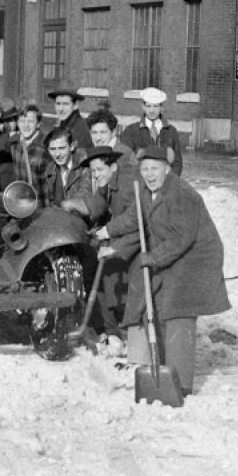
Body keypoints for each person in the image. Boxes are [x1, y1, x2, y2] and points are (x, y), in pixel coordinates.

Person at [94, 150, 230, 395]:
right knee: (154, 302)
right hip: (172, 255)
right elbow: (133, 219)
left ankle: (181, 383)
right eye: (145, 169)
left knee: (178, 310)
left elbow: (182, 238)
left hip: (195, 259)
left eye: (154, 169)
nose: (149, 174)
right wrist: (106, 231)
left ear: (167, 169)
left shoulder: (181, 194)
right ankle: (158, 365)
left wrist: (154, 258)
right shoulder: (146, 192)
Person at [81, 145, 135, 346]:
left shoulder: (129, 185)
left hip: (139, 240)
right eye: (93, 171)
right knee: (91, 261)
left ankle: (114, 329)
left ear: (113, 166)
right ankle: (106, 329)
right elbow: (97, 206)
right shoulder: (108, 184)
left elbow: (135, 219)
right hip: (123, 235)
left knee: (107, 270)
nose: (96, 175)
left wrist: (108, 232)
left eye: (99, 170)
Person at [120, 87, 183, 176]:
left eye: (155, 106)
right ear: (143, 107)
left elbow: (177, 163)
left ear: (161, 107)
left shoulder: (171, 131)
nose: (152, 110)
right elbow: (125, 161)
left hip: (165, 182)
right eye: (148, 106)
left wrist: (169, 182)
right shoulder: (131, 131)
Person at [39, 127, 93, 214]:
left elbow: (84, 194)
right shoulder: (49, 170)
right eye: (53, 149)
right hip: (59, 220)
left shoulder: (85, 166)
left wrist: (69, 204)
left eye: (61, 148)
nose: (57, 154)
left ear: (72, 146)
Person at [10, 103, 47, 187]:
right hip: (21, 197)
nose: (26, 125)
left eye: (30, 121)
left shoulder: (47, 147)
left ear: (38, 124)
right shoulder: (14, 144)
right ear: (17, 123)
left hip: (40, 198)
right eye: (22, 121)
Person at [46, 88, 92, 152]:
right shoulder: (63, 125)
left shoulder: (79, 128)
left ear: (75, 106)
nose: (61, 109)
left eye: (65, 104)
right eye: (58, 104)